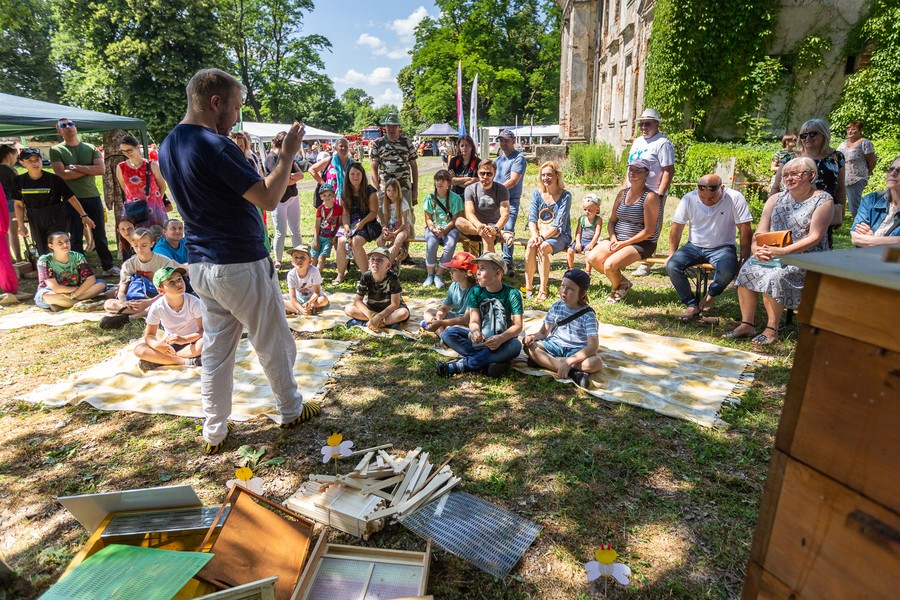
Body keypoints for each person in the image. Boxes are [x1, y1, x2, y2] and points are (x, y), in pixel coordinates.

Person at [158, 68, 320, 454]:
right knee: (273, 340)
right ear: (215, 103)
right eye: (235, 108)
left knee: (216, 351)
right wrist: (287, 155)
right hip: (239, 262)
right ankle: (290, 408)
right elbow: (266, 198)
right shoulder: (214, 145)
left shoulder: (168, 144)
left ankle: (214, 430)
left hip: (202, 264)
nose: (236, 118)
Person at [728, 157, 833, 345]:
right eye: (785, 174)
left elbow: (815, 237)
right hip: (773, 253)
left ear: (811, 175)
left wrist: (784, 252)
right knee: (747, 269)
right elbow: (760, 231)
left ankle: (771, 329)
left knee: (773, 276)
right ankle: (747, 324)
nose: (788, 178)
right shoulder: (775, 199)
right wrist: (756, 249)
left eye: (794, 174)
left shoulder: (823, 199)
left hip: (806, 257)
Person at [665, 174, 753, 320]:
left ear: (722, 189)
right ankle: (691, 304)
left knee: (727, 270)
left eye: (711, 198)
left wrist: (744, 258)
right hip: (693, 246)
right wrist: (671, 253)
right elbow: (677, 227)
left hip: (723, 247)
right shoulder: (689, 198)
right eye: (702, 197)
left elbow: (745, 229)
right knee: (672, 265)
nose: (706, 201)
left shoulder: (735, 198)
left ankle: (711, 295)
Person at [437, 252, 524, 378]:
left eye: (482, 268)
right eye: (478, 268)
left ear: (498, 273)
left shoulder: (512, 293)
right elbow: (473, 321)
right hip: (481, 342)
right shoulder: (476, 291)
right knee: (448, 334)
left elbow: (518, 326)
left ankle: (460, 366)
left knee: (515, 346)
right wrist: (476, 331)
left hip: (504, 341)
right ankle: (494, 361)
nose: (477, 272)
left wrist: (501, 338)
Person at [49, 118, 117, 276]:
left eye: (71, 124)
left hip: (93, 196)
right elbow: (62, 175)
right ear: (60, 131)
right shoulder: (56, 150)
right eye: (63, 126)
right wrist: (88, 169)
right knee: (75, 236)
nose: (68, 127)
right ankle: (80, 269)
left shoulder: (90, 147)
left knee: (100, 234)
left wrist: (75, 167)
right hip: (71, 199)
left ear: (76, 128)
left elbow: (101, 170)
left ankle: (108, 266)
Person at [586, 159, 660, 304]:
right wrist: (613, 238)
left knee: (610, 265)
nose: (632, 173)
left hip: (642, 243)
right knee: (592, 257)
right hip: (618, 238)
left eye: (637, 170)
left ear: (646, 174)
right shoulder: (622, 194)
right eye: (630, 170)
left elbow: (649, 231)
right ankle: (624, 282)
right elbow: (612, 221)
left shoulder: (651, 197)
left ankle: (615, 289)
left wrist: (625, 243)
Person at [770, 118, 846, 246]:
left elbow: (841, 187)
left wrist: (841, 211)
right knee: (790, 244)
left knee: (820, 245)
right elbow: (776, 186)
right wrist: (771, 211)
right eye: (804, 135)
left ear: (824, 134)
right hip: (793, 211)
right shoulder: (790, 157)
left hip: (823, 209)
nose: (807, 138)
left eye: (813, 134)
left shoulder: (836, 157)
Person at [523, 268, 602, 389]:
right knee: (530, 347)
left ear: (582, 293)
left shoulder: (588, 315)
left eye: (570, 288)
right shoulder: (556, 306)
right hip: (555, 345)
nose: (564, 291)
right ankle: (573, 373)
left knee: (596, 363)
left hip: (576, 350)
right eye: (562, 286)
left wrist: (569, 361)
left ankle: (547, 362)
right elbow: (544, 332)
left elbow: (593, 347)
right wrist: (532, 337)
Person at [13, 148, 95, 256]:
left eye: (37, 160)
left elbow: (71, 198)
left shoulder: (54, 179)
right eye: (30, 161)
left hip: (56, 217)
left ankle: (65, 272)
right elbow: (18, 205)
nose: (35, 163)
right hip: (35, 218)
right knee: (43, 250)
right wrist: (21, 225)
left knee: (59, 246)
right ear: (22, 163)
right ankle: (48, 272)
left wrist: (84, 215)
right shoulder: (19, 181)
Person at [626, 109, 674, 276]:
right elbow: (630, 165)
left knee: (651, 228)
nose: (644, 127)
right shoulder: (638, 141)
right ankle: (629, 257)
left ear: (657, 124)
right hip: (633, 191)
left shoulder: (663, 143)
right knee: (631, 225)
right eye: (641, 124)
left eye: (647, 123)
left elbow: (668, 170)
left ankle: (646, 263)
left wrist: (660, 194)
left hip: (653, 192)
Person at [101, 227, 175, 327]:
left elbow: (170, 289)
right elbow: (122, 290)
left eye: (144, 245)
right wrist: (124, 302)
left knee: (168, 303)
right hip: (135, 300)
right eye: (136, 246)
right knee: (108, 304)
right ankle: (141, 313)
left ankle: (130, 317)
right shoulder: (129, 264)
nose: (140, 249)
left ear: (152, 244)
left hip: (158, 297)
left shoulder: (164, 261)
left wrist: (149, 302)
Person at [134, 266, 203, 372]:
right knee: (139, 350)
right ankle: (187, 361)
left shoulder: (194, 302)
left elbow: (204, 330)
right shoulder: (157, 306)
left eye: (179, 279)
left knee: (206, 342)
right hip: (171, 346)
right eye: (171, 282)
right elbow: (149, 335)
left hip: (193, 342)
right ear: (161, 291)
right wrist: (157, 345)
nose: (178, 283)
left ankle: (160, 360)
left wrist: (184, 339)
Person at [370, 113, 418, 264]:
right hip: (385, 189)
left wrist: (415, 187)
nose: (391, 129)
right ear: (384, 127)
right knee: (386, 217)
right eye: (388, 126)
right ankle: (389, 249)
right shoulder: (378, 143)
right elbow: (373, 166)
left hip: (404, 187)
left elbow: (414, 166)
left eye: (394, 126)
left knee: (406, 217)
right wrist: (377, 187)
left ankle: (405, 252)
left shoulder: (406, 142)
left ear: (398, 127)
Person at [523, 161, 572, 302]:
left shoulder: (566, 196)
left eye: (549, 175)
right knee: (531, 245)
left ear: (557, 175)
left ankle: (543, 290)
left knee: (542, 247)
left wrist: (542, 238)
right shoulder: (537, 194)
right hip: (540, 233)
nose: (546, 178)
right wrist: (535, 236)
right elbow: (531, 218)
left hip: (561, 235)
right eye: (543, 175)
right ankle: (528, 288)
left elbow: (558, 225)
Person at [33, 231, 107, 311]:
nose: (65, 245)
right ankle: (81, 303)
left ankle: (66, 304)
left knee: (101, 284)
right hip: (53, 292)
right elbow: (56, 288)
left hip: (76, 291)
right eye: (60, 243)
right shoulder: (45, 261)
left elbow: (91, 279)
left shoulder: (77, 256)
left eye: (67, 241)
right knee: (47, 297)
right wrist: (75, 289)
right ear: (51, 246)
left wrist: (74, 295)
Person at [344, 246, 410, 331]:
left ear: (388, 265)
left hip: (390, 311)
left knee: (403, 313)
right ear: (369, 264)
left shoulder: (393, 277)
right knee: (349, 309)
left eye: (379, 260)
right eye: (372, 259)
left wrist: (379, 316)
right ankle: (382, 323)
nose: (375, 262)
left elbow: (395, 305)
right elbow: (358, 301)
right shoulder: (366, 276)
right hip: (373, 309)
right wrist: (372, 315)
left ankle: (372, 322)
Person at [334, 163, 380, 284]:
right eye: (352, 174)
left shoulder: (370, 191)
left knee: (356, 242)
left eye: (358, 174)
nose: (355, 177)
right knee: (342, 241)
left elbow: (374, 212)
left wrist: (362, 223)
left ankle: (365, 275)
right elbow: (345, 214)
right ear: (348, 176)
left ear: (363, 176)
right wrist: (346, 227)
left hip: (368, 223)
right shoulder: (344, 193)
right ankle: (340, 274)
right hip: (351, 223)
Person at [265, 131, 305, 269]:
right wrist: (288, 179)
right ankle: (278, 260)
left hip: (292, 197)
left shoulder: (288, 157)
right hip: (279, 200)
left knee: (295, 229)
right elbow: (277, 181)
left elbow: (300, 175)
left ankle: (300, 255)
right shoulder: (271, 158)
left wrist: (289, 177)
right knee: (280, 231)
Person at [456, 160, 511, 253]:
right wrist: (479, 226)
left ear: (494, 174)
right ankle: (496, 233)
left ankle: (488, 266)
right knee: (459, 221)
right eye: (482, 173)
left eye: (489, 174)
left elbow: (505, 214)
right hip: (475, 228)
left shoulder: (502, 190)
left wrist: (496, 229)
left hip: (493, 227)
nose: (485, 177)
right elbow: (469, 213)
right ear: (478, 173)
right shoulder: (470, 189)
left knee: (488, 237)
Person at [115, 134, 168, 229]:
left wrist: (156, 203)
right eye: (123, 151)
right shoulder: (121, 167)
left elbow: (162, 186)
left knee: (158, 237)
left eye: (129, 150)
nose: (126, 153)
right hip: (134, 210)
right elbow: (125, 189)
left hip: (155, 209)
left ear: (137, 147)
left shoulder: (152, 165)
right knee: (137, 239)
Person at [422, 169, 464, 288]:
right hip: (434, 228)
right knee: (431, 244)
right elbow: (428, 219)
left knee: (450, 245)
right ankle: (430, 274)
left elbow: (455, 219)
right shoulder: (430, 198)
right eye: (437, 180)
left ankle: (439, 274)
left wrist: (445, 230)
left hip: (450, 228)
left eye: (443, 180)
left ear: (448, 183)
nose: (439, 183)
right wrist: (433, 229)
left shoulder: (455, 198)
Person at [422, 251, 477, 336]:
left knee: (452, 328)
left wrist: (441, 323)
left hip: (468, 322)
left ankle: (442, 332)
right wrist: (439, 317)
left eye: (454, 270)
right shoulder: (454, 285)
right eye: (451, 270)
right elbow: (444, 308)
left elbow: (466, 319)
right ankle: (442, 335)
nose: (450, 273)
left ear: (467, 273)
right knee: (429, 312)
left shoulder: (475, 290)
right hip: (456, 317)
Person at [494, 130, 527, 273]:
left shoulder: (518, 158)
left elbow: (513, 181)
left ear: (514, 141)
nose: (503, 143)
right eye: (501, 140)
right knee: (496, 228)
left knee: (508, 229)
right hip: (495, 199)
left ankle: (507, 262)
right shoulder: (498, 159)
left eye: (506, 140)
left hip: (510, 200)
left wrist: (494, 190)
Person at [850, 156, 900, 247]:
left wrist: (872, 238)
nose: (893, 173)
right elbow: (855, 238)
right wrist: (890, 241)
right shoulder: (871, 200)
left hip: (893, 260)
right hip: (863, 259)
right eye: (891, 169)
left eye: (899, 170)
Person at [837, 120, 876, 217]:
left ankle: (859, 225)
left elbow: (872, 162)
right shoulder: (842, 144)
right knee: (839, 202)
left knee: (855, 205)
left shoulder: (865, 143)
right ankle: (838, 222)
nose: (850, 131)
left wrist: (865, 173)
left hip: (857, 178)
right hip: (843, 178)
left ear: (860, 130)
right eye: (848, 129)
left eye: (853, 129)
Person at [283, 245, 329, 315]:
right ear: (292, 261)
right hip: (299, 298)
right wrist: (301, 310)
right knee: (278, 299)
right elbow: (292, 297)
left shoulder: (314, 271)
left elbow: (317, 292)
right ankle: (300, 311)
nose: (299, 260)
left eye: (302, 257)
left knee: (323, 300)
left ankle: (307, 308)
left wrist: (309, 302)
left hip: (313, 299)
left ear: (310, 261)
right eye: (295, 257)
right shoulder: (291, 274)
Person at [375, 178, 412, 265]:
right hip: (391, 228)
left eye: (394, 190)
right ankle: (389, 257)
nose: (391, 193)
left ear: (398, 191)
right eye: (389, 190)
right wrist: (385, 230)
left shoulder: (402, 202)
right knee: (379, 241)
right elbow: (386, 221)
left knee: (398, 241)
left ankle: (389, 265)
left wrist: (394, 233)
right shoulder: (386, 204)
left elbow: (403, 224)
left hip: (403, 229)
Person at [567, 194, 603, 274]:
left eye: (589, 210)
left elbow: (597, 233)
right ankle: (570, 269)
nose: (587, 212)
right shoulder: (582, 219)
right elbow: (578, 232)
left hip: (590, 241)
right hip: (581, 240)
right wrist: (578, 242)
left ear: (597, 209)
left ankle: (587, 271)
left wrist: (592, 244)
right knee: (570, 251)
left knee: (588, 254)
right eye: (585, 209)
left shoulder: (598, 220)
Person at [311, 183, 343, 271]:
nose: (327, 197)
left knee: (322, 258)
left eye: (329, 195)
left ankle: (317, 275)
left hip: (329, 238)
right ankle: (311, 276)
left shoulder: (339, 209)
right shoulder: (320, 209)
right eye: (324, 195)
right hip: (319, 236)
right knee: (313, 258)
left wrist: (335, 236)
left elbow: (340, 224)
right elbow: (317, 226)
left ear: (334, 195)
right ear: (321, 197)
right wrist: (316, 240)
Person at [0, 145, 22, 263]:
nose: (16, 159)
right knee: (13, 232)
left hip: (2, 203)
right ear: (9, 154)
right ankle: (18, 258)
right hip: (10, 202)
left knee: (4, 233)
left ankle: (9, 259)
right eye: (15, 155)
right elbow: (18, 188)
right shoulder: (9, 170)